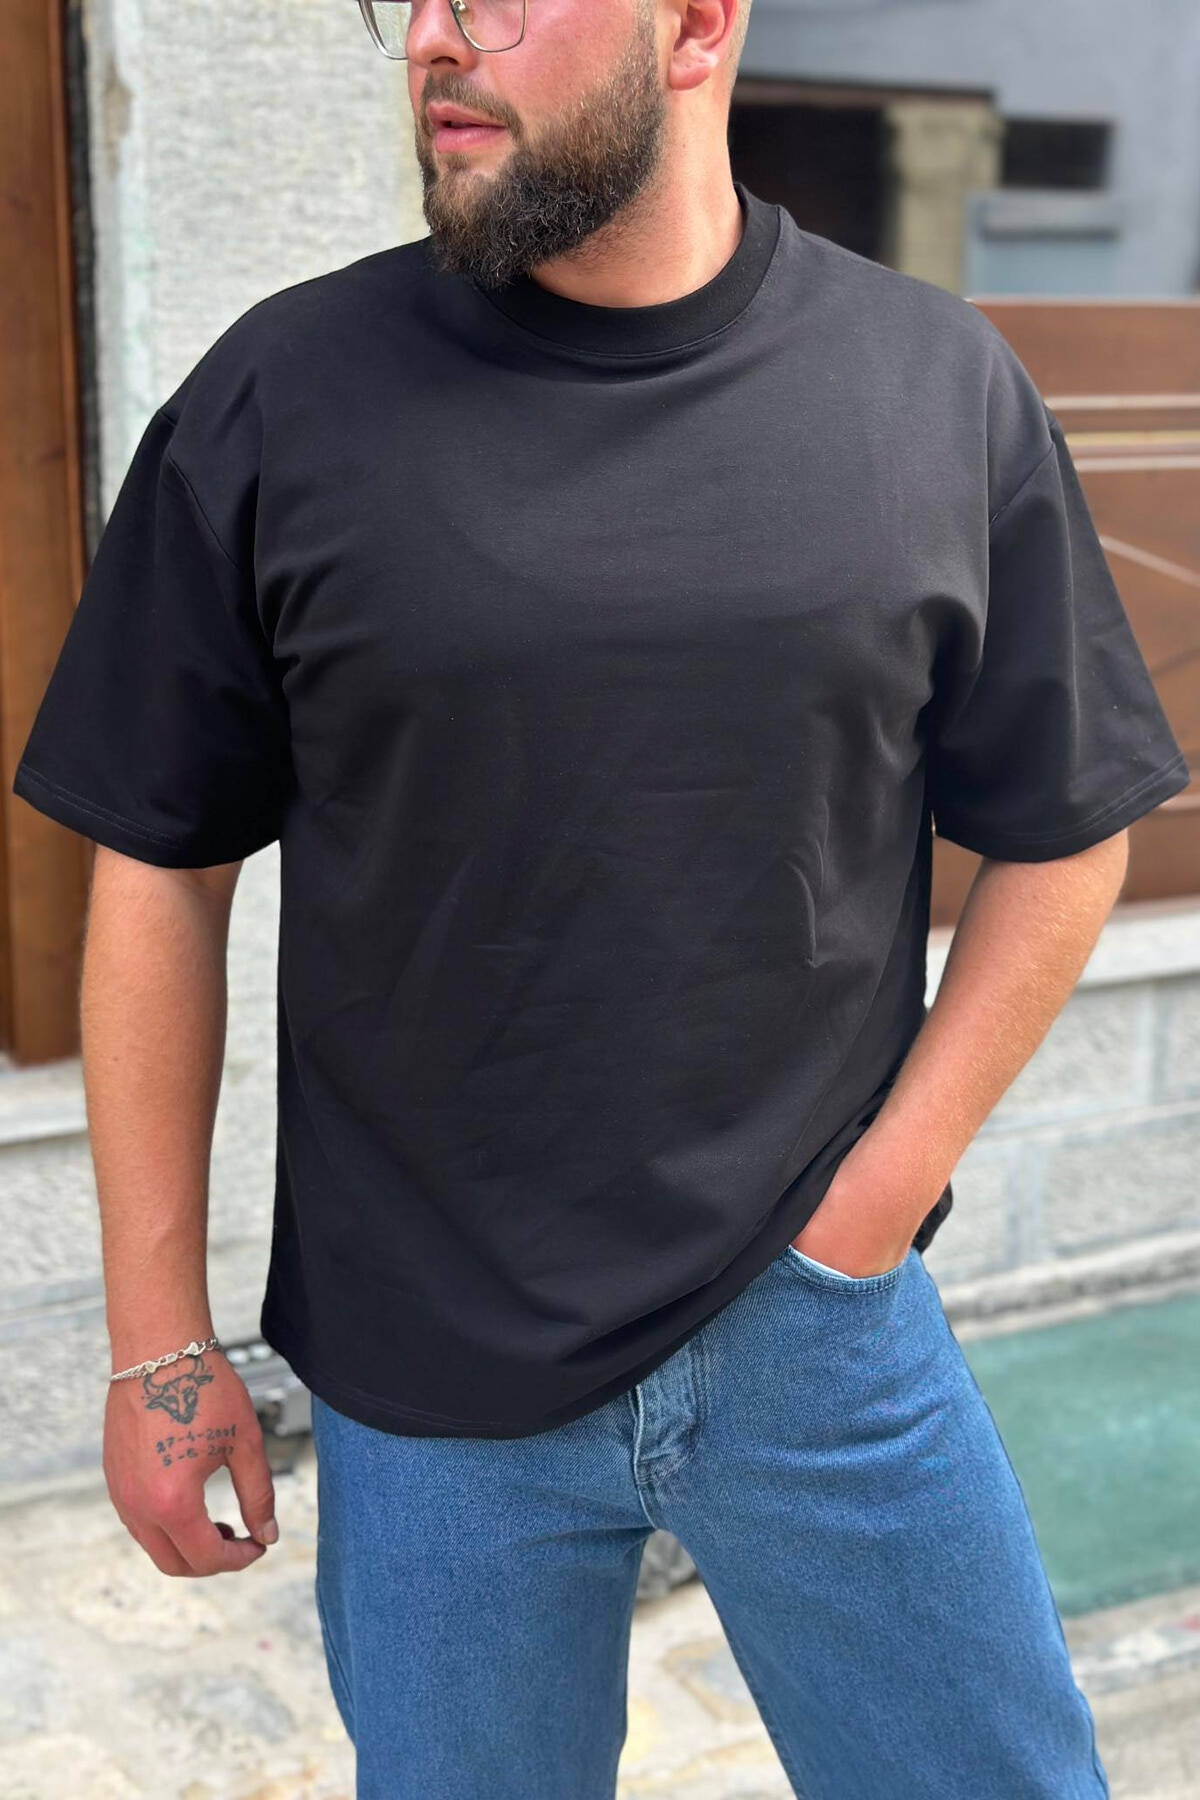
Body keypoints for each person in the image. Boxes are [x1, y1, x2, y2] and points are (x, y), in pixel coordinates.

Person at [12, 0, 1189, 1793]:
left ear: (696, 23)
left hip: (817, 1336)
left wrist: (870, 1215)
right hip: (427, 1386)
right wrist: (157, 1350)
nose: (432, 39)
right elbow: (160, 868)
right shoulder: (281, 399)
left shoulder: (932, 390)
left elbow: (1067, 824)